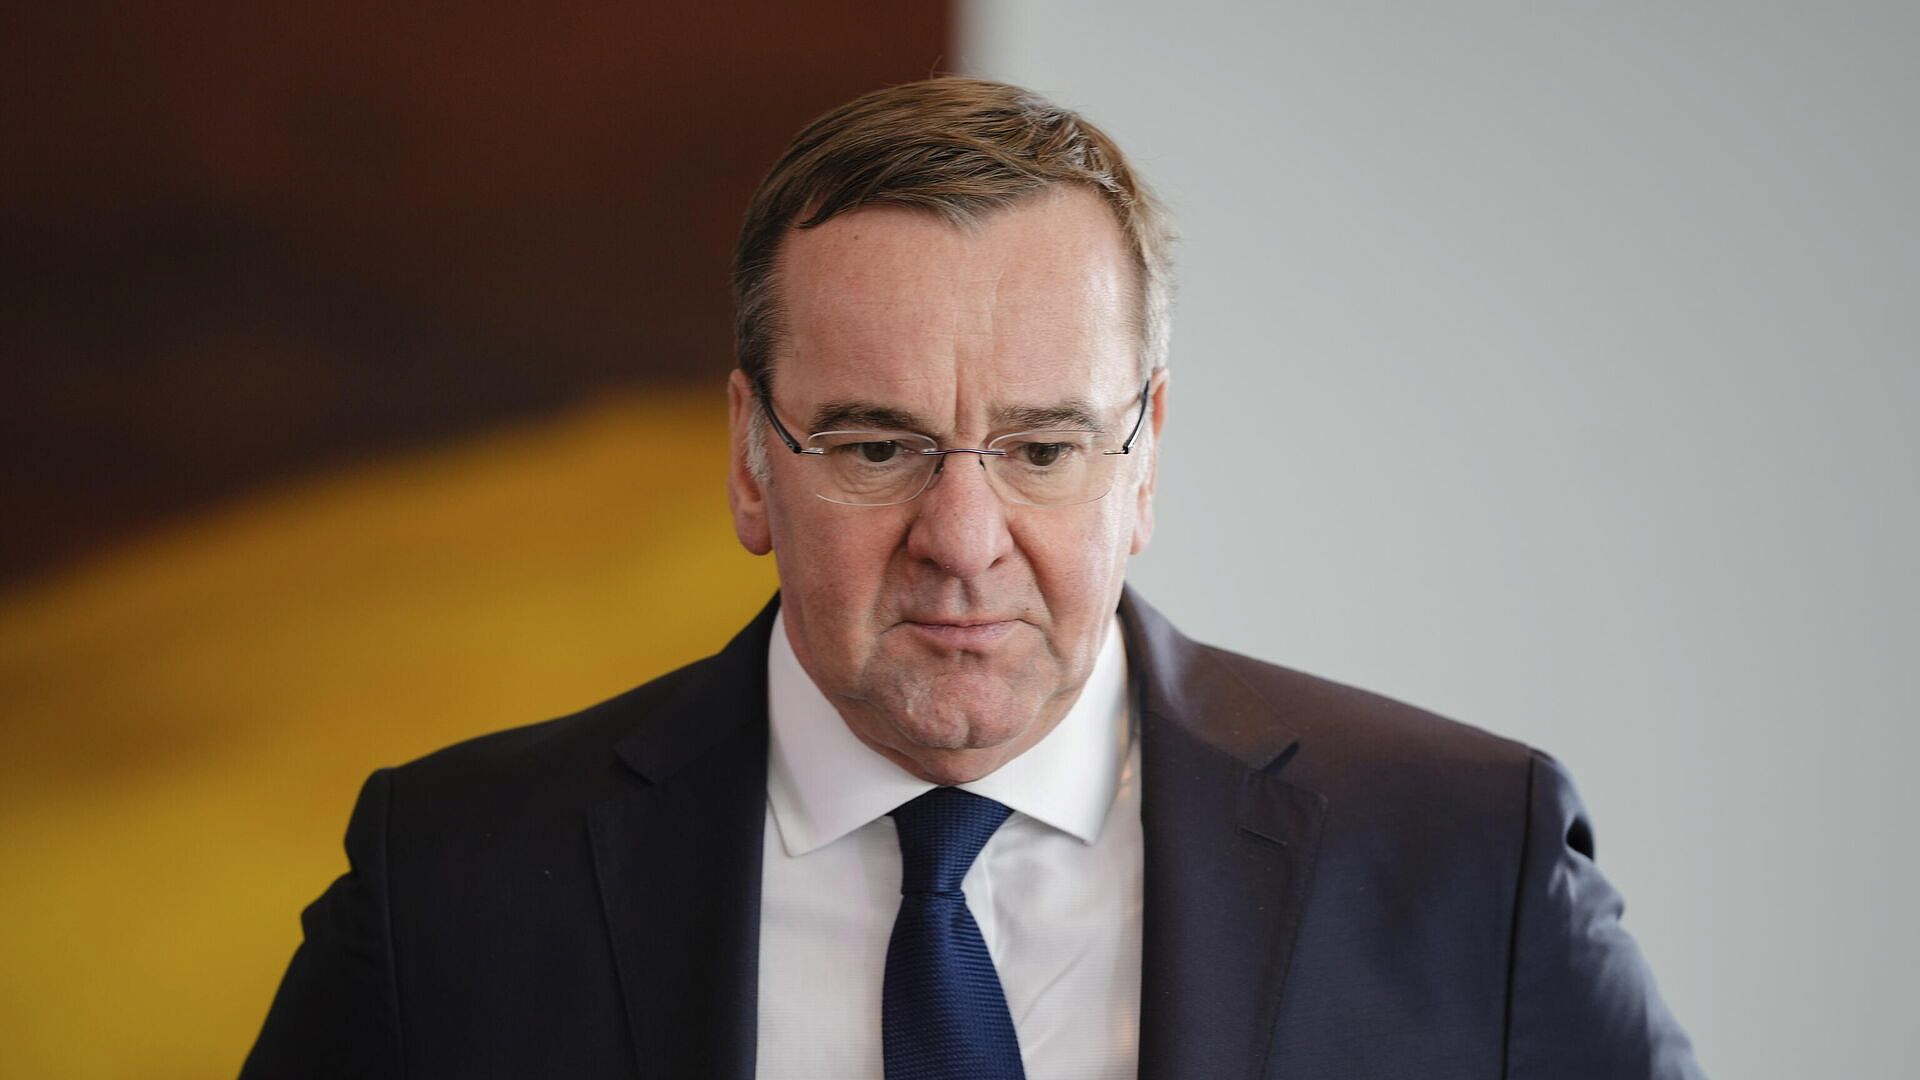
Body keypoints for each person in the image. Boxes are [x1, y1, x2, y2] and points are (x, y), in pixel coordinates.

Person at [242, 77, 1702, 1080]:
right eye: (878, 446)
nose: (962, 536)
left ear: (1144, 458)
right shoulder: (452, 887)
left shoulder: (1468, 864)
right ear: (750, 459)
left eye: (1043, 448)